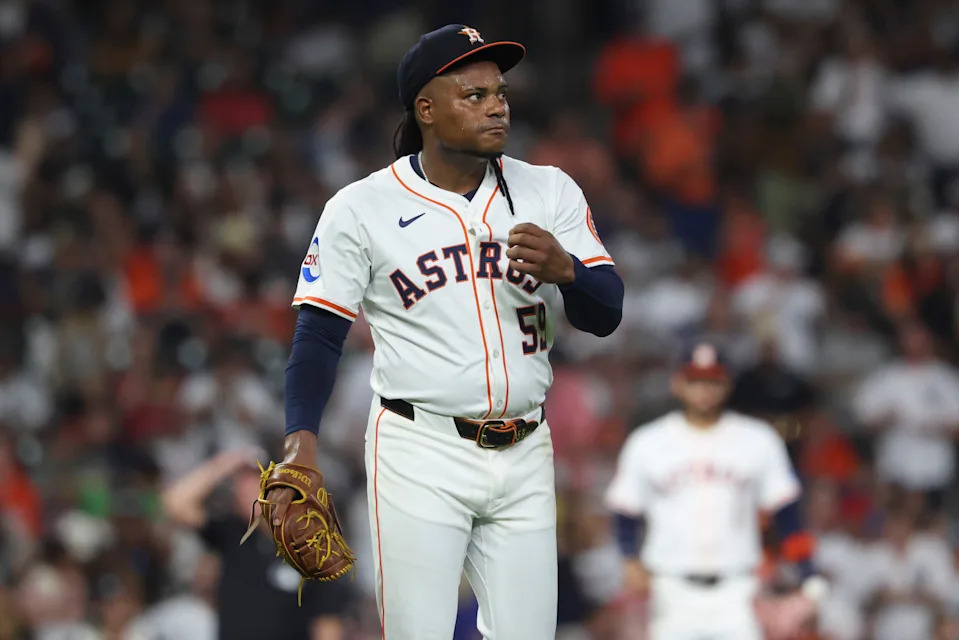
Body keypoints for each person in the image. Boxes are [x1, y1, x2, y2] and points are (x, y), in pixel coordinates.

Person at [268, 23, 624, 640]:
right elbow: (319, 335)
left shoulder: (549, 189)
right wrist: (300, 440)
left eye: (500, 93)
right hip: (418, 448)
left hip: (525, 450)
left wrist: (567, 272)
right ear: (426, 110)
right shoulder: (361, 206)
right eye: (475, 95)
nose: (497, 106)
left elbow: (606, 313)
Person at [604, 341, 826, 640]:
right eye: (695, 380)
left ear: (727, 383)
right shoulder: (648, 442)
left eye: (712, 380)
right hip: (670, 590)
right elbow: (625, 509)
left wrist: (808, 573)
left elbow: (787, 514)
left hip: (738, 590)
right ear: (678, 383)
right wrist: (629, 557)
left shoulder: (758, 439)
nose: (704, 389)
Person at [161, 448, 352, 640]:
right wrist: (222, 465)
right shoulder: (235, 534)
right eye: (241, 483)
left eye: (256, 482)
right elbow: (175, 503)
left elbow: (327, 627)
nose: (245, 490)